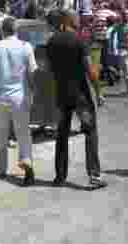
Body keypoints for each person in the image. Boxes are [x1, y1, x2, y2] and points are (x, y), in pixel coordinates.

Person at [46, 10, 106, 189]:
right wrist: (99, 91)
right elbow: (91, 71)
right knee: (90, 132)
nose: (79, 21)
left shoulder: (51, 42)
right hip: (81, 96)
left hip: (62, 95)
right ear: (69, 21)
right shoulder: (80, 41)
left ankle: (60, 176)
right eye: (76, 19)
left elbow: (50, 69)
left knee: (62, 134)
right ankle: (94, 176)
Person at [0, 17, 37, 185]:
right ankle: (26, 162)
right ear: (16, 30)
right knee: (23, 133)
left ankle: (2, 168)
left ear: (2, 30)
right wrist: (34, 91)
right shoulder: (26, 47)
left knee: (1, 133)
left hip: (0, 96)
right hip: (20, 96)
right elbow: (32, 73)